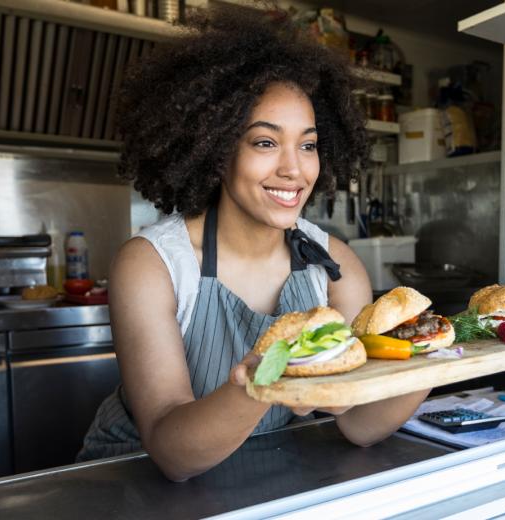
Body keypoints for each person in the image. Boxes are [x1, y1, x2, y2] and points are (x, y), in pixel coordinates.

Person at [77, 4, 430, 482]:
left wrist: (429, 362)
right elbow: (171, 453)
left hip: (259, 477)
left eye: (308, 145)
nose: (294, 169)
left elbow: (358, 423)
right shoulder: (153, 264)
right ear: (217, 148)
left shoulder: (334, 266)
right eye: (265, 143)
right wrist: (262, 379)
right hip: (131, 484)